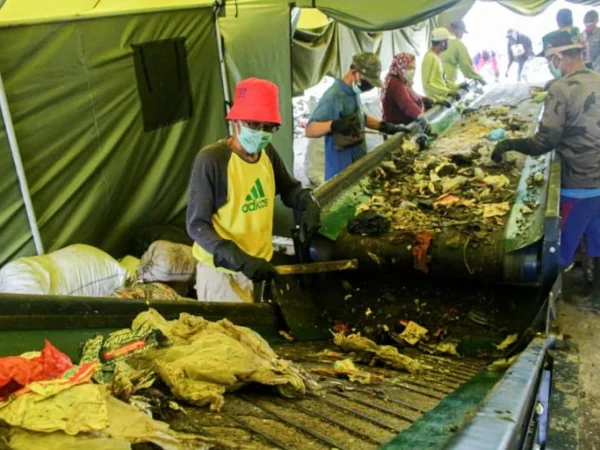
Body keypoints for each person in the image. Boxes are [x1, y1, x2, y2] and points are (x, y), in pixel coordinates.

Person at [491, 31, 600, 311]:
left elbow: (545, 141)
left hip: (580, 181)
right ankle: (596, 296)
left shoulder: (562, 88)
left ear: (558, 56)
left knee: (559, 247)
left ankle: (543, 310)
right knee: (598, 238)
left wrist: (509, 144)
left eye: (552, 59)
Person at [187, 78, 320, 302]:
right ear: (236, 121)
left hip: (258, 266)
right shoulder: (213, 160)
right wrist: (235, 257)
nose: (260, 133)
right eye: (253, 124)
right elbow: (196, 225)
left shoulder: (266, 152)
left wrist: (306, 201)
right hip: (223, 275)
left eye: (268, 127)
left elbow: (288, 188)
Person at [305, 52, 406, 181]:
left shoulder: (353, 92)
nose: (368, 87)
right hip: (340, 169)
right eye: (367, 82)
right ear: (354, 72)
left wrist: (386, 127)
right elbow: (310, 130)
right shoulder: (332, 96)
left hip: (358, 161)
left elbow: (361, 118)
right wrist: (334, 125)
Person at [381, 53, 447, 135]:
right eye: (409, 67)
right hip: (398, 130)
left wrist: (432, 101)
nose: (412, 71)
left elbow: (414, 96)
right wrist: (420, 116)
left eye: (413, 68)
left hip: (406, 125)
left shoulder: (402, 81)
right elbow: (407, 103)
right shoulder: (394, 83)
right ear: (401, 66)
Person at [440, 21, 485, 87]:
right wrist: (479, 78)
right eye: (462, 32)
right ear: (457, 30)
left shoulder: (440, 42)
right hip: (446, 83)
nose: (462, 35)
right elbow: (466, 65)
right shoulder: (457, 43)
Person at [422, 28, 461, 101]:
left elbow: (442, 80)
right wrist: (447, 92)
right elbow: (427, 85)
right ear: (442, 42)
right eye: (447, 41)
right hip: (437, 102)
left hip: (443, 100)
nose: (448, 43)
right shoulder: (430, 58)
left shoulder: (436, 57)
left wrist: (457, 86)